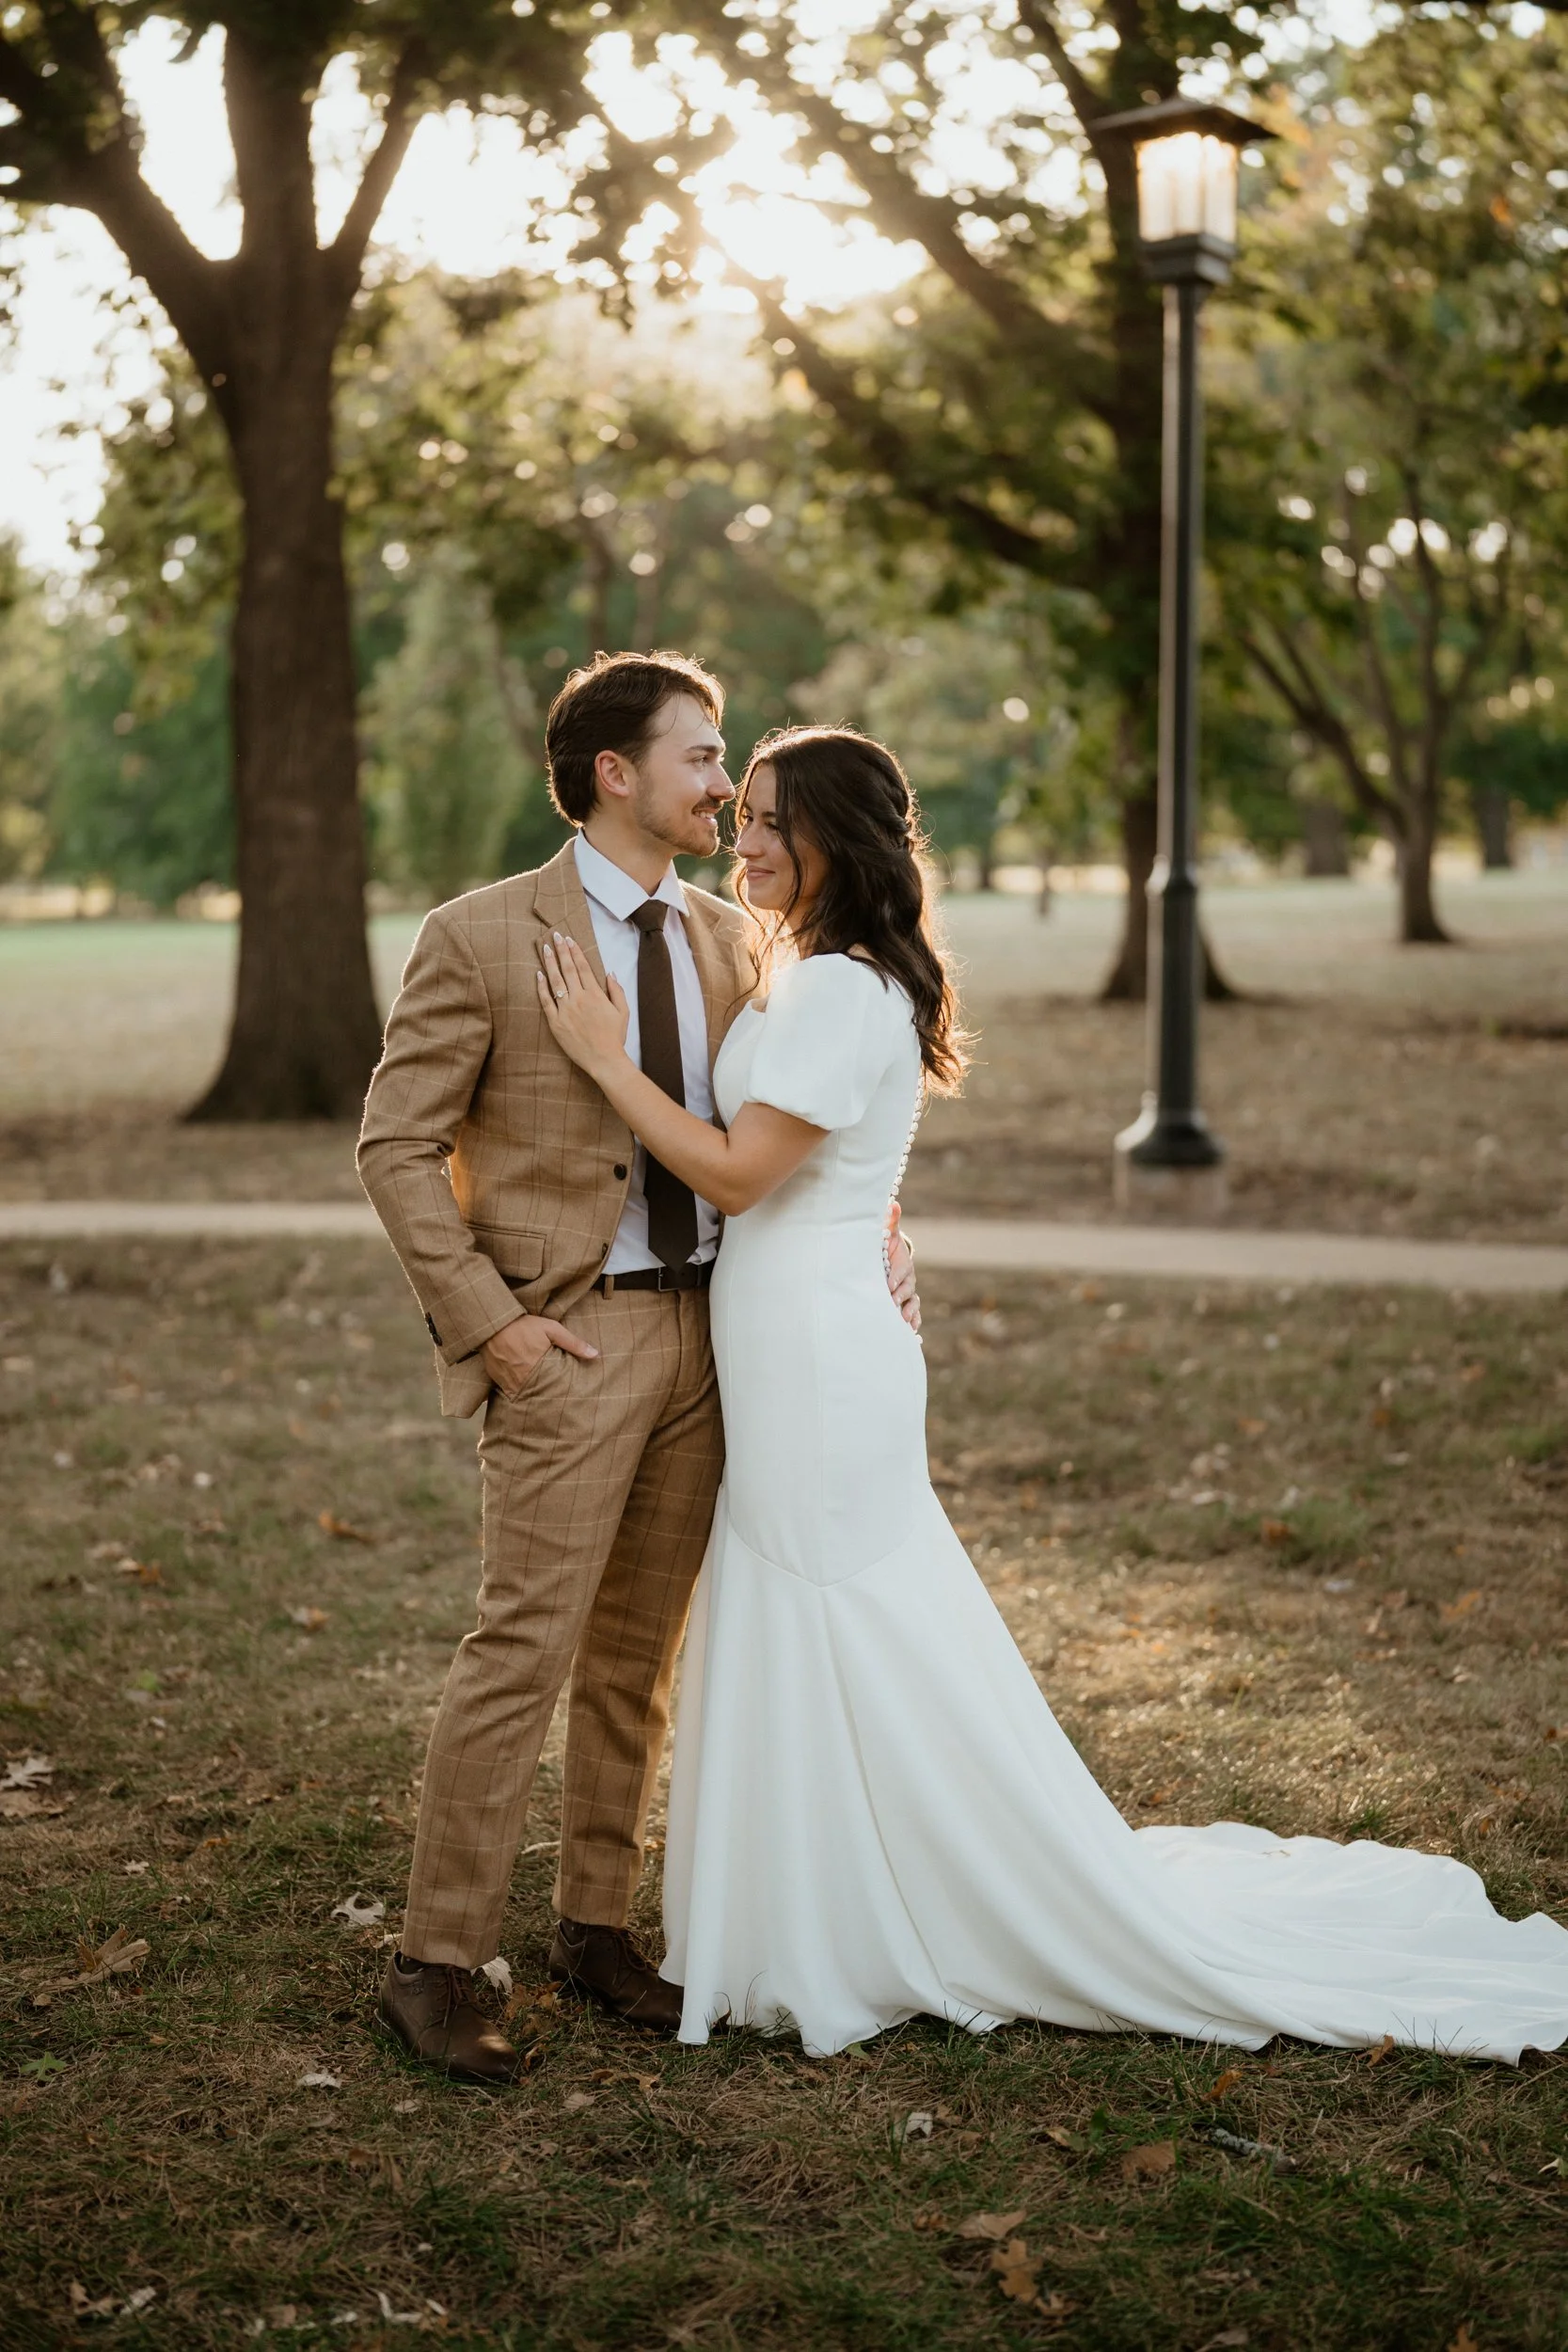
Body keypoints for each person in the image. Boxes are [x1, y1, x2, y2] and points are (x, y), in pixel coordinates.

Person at [536, 723, 1568, 2064]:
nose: (741, 833)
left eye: (767, 816)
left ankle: (877, 1905)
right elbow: (839, 1161)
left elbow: (738, 1178)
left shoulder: (844, 989)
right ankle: (834, 1889)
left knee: (836, 1601)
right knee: (821, 1603)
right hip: (801, 1326)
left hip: (816, 1351)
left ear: (831, 839)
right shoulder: (813, 973)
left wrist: (600, 1056)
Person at [357, 655, 916, 2084]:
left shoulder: (743, 939)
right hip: (571, 1336)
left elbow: (802, 1113)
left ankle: (594, 1923)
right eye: (701, 758)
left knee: (636, 1661)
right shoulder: (482, 936)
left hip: (719, 1341)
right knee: (522, 1648)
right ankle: (434, 1957)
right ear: (614, 772)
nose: (725, 788)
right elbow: (394, 1148)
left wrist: (886, 1222)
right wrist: (490, 1325)